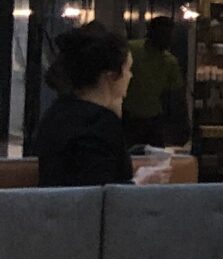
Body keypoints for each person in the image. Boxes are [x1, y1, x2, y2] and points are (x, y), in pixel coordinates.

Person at [33, 23, 139, 187]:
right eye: (128, 69)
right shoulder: (100, 123)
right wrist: (138, 182)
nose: (130, 76)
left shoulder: (57, 112)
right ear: (111, 75)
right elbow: (97, 191)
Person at [122, 14, 186, 148]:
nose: (168, 39)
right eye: (164, 35)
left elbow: (176, 95)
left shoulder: (170, 61)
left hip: (152, 118)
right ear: (152, 33)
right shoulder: (132, 50)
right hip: (129, 116)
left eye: (169, 36)